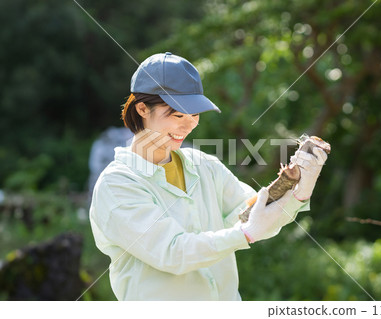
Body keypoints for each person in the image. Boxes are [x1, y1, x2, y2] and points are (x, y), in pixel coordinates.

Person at [89, 52, 328, 301]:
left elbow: (253, 215)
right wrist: (244, 234)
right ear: (142, 108)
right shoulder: (117, 185)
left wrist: (298, 188)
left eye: (194, 115)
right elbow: (173, 251)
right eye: (178, 115)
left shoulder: (204, 166)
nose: (189, 125)